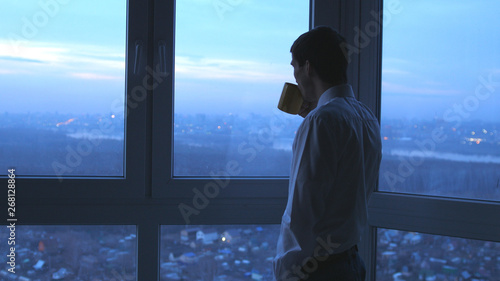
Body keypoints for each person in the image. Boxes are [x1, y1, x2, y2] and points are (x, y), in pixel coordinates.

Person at [273, 26, 382, 281]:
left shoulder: (321, 122)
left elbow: (301, 215)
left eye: (295, 67)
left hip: (318, 271)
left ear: (308, 67)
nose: (295, 77)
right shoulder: (366, 117)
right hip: (350, 262)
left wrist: (284, 271)